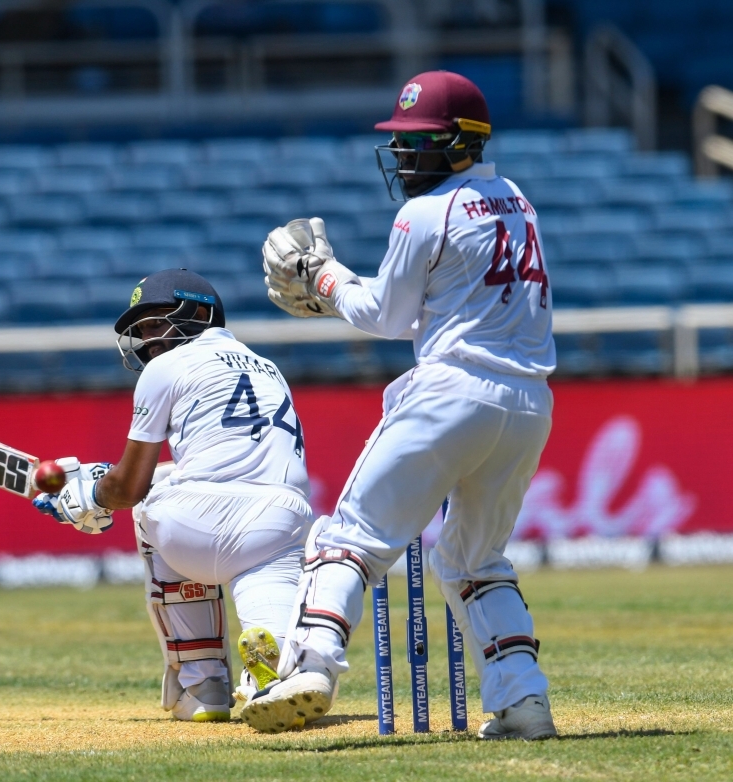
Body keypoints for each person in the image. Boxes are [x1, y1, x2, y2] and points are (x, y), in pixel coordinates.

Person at [242, 70, 557, 739]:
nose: (406, 154)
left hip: (449, 394)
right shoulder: (516, 199)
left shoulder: (422, 213)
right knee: (476, 563)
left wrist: (323, 277)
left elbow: (384, 315)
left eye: (420, 141)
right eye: (403, 141)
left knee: (347, 539)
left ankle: (311, 668)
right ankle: (525, 702)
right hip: (529, 403)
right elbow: (445, 306)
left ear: (460, 142)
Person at [33, 268, 313, 722]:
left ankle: (203, 685)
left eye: (157, 322)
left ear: (200, 313)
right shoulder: (269, 367)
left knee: (149, 504)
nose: (148, 338)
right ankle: (271, 668)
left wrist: (91, 496)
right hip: (282, 522)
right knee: (270, 620)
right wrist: (102, 483)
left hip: (197, 527)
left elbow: (131, 487)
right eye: (141, 330)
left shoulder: (166, 368)